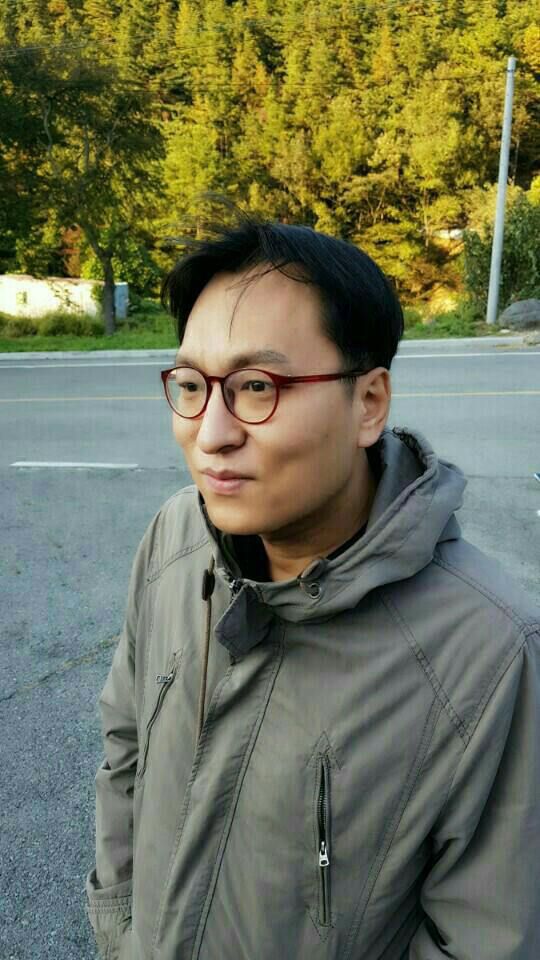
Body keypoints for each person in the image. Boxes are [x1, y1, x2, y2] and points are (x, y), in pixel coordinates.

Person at [86, 214, 540, 960]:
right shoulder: (175, 539)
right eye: (192, 385)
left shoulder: (488, 655)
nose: (211, 432)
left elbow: (486, 936)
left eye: (257, 386)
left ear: (369, 403)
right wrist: (119, 929)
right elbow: (125, 751)